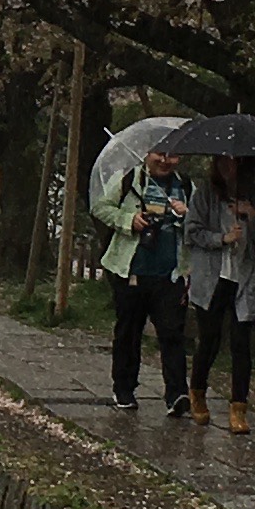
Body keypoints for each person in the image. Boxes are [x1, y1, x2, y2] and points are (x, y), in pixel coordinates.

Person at [182, 155, 255, 430]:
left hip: (245, 280)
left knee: (240, 343)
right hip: (212, 278)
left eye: (233, 162)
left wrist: (253, 218)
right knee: (209, 340)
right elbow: (191, 232)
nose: (227, 167)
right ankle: (197, 393)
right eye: (222, 162)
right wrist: (221, 238)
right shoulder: (205, 194)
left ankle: (239, 407)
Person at [106, 154, 191, 413]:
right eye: (159, 154)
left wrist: (187, 215)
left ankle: (177, 394)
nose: (165, 160)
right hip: (131, 270)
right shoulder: (128, 180)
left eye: (173, 155)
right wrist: (128, 220)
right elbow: (101, 207)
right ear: (147, 154)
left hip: (170, 273)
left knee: (172, 333)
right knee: (129, 332)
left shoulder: (186, 186)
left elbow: (200, 224)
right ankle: (124, 389)